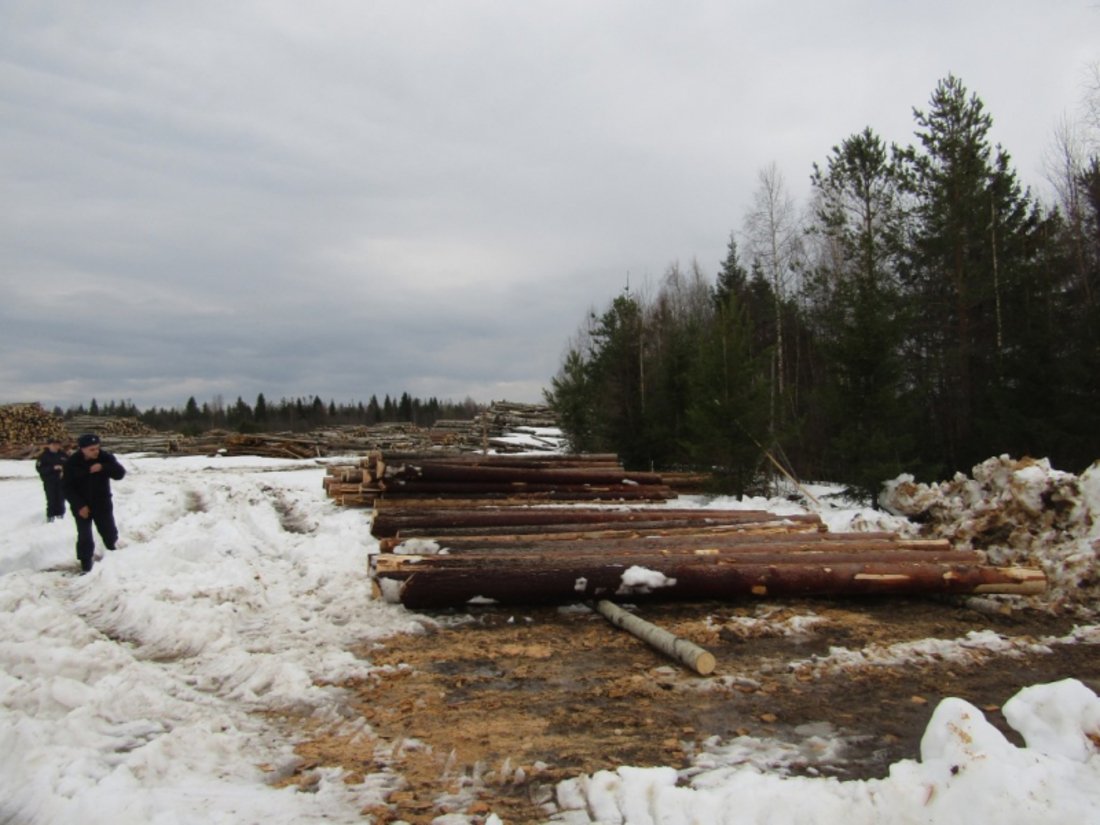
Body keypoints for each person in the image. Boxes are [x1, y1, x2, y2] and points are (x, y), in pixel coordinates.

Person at [63, 433, 126, 574]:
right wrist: (79, 505)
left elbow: (120, 473)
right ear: (82, 449)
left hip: (102, 503)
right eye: (92, 449)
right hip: (82, 505)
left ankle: (114, 556)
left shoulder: (105, 458)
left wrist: (103, 467)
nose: (96, 451)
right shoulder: (72, 463)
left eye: (97, 448)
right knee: (84, 535)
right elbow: (66, 487)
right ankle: (86, 565)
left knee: (108, 531)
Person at [35, 436, 68, 521]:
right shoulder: (43, 456)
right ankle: (51, 515)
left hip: (62, 480)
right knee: (51, 498)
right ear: (49, 445)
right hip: (49, 481)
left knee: (61, 498)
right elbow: (40, 468)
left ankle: (61, 514)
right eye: (53, 444)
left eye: (57, 444)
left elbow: (70, 466)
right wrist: (53, 468)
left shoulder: (63, 455)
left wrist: (64, 470)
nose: (55, 446)